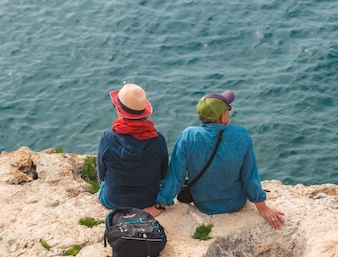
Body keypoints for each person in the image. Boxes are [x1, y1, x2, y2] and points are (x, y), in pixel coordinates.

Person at [156, 90, 285, 229]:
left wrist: (160, 204)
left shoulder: (188, 136)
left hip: (204, 205)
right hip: (236, 203)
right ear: (222, 116)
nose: (229, 112)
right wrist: (262, 208)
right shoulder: (241, 134)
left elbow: (176, 176)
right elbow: (250, 176)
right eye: (228, 109)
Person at [97, 83, 169, 217]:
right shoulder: (158, 139)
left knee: (103, 186)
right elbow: (163, 174)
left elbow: (101, 175)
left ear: (120, 110)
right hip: (148, 200)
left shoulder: (108, 138)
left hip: (113, 201)